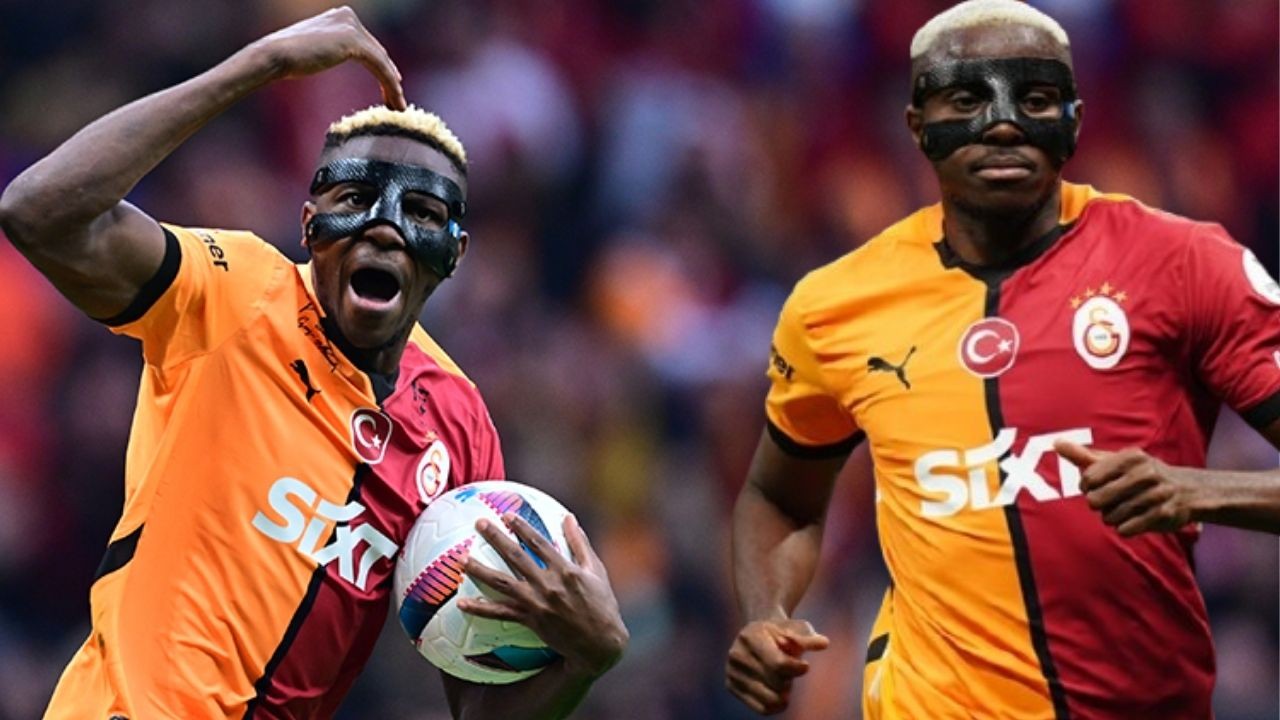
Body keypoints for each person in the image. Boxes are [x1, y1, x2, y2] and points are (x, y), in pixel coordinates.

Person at [0, 7, 627, 719]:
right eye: (356, 198)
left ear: (453, 254)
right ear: (308, 224)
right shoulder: (235, 293)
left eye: (421, 212)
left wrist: (588, 658)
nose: (385, 226)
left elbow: (478, 712)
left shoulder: (459, 428)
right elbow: (38, 211)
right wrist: (259, 63)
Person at [725, 1, 1280, 718]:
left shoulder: (1185, 263)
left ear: (1075, 121)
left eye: (1037, 99)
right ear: (916, 125)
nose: (1004, 123)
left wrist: (1198, 491)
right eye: (966, 100)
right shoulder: (834, 305)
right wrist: (765, 613)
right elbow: (777, 498)